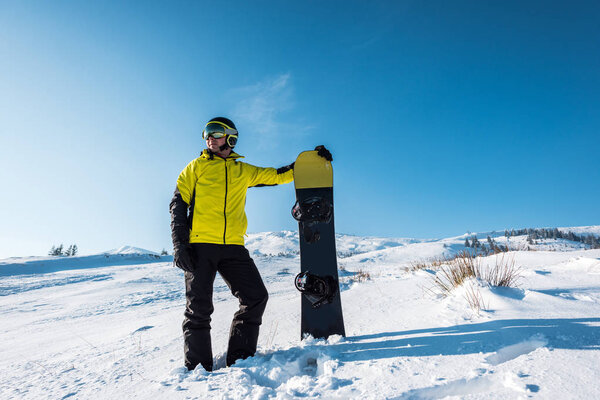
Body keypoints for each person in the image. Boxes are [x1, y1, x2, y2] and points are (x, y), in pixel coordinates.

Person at [169, 117, 332, 371]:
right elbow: (178, 205)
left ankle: (240, 360)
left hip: (233, 246)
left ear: (231, 137)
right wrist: (180, 244)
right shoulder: (195, 168)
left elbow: (276, 175)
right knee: (198, 309)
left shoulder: (242, 171)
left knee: (256, 297)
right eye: (206, 133)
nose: (209, 137)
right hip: (200, 245)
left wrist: (309, 161)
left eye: (216, 132)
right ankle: (198, 371)